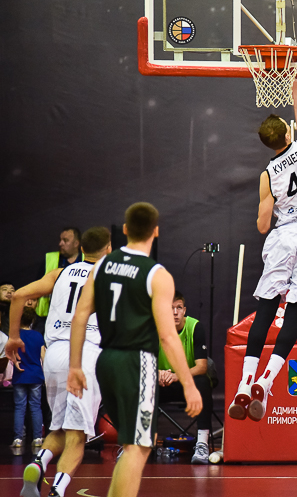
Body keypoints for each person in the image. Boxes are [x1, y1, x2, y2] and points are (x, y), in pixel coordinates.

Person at [227, 18, 297, 422]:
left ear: (267, 144)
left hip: (284, 236)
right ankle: (266, 381)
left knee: (266, 310)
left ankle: (244, 383)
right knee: (295, 312)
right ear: (288, 134)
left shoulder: (267, 175)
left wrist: (274, 205)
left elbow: (261, 226)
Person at [67, 202, 201, 497]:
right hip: (136, 362)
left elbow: (79, 316)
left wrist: (74, 366)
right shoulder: (156, 274)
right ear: (156, 231)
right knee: (138, 447)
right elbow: (168, 336)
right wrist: (189, 384)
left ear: (125, 229)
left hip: (105, 360)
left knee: (132, 444)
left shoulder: (101, 266)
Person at [6, 227, 111, 497]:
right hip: (85, 354)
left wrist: (14, 337)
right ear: (108, 249)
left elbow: (18, 296)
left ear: (82, 248)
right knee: (77, 435)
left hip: (54, 355)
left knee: (60, 427)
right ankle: (57, 490)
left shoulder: (60, 273)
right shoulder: (109, 278)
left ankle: (38, 463)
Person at [157, 291, 213, 464]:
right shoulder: (155, 328)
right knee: (143, 382)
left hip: (187, 385)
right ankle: (140, 444)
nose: (175, 312)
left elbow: (202, 367)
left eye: (179, 308)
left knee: (203, 382)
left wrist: (177, 376)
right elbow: (144, 361)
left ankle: (202, 444)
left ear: (184, 310)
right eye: (171, 308)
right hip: (163, 385)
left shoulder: (195, 327)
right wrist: (157, 373)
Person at [11, 311, 46, 449]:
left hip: (20, 375)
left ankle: (18, 439)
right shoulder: (38, 335)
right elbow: (43, 356)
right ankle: (37, 438)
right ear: (32, 320)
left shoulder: (15, 336)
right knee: (36, 406)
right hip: (36, 375)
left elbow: (11, 355)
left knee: (20, 408)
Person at [36, 228, 84, 318]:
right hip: (50, 314)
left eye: (65, 240)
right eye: (60, 240)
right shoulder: (50, 259)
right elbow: (37, 286)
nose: (60, 243)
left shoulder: (87, 260)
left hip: (79, 314)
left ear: (76, 243)